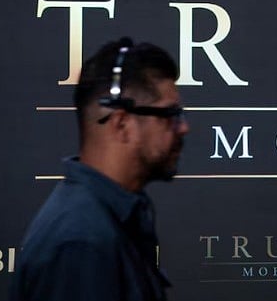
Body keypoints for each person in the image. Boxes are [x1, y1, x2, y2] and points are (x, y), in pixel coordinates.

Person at [10, 37, 189, 301]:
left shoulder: (111, 218)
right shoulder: (80, 244)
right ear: (121, 124)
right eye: (170, 115)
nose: (183, 127)